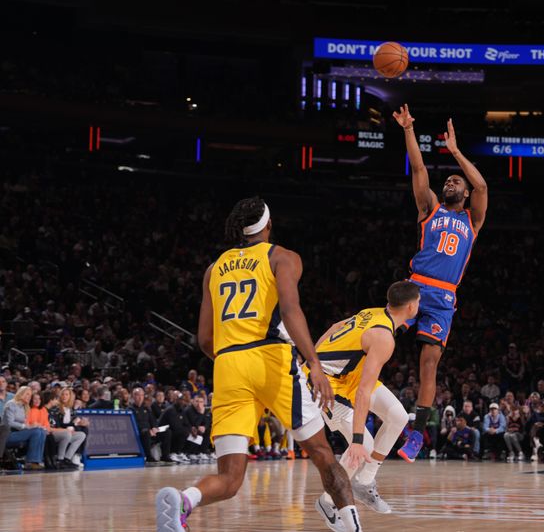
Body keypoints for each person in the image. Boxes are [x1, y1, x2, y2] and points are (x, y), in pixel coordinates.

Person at [156, 197, 362, 532]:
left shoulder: (214, 268)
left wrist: (233, 361)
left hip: (227, 364)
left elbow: (205, 340)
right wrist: (314, 363)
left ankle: (184, 500)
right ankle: (352, 525)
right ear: (268, 225)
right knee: (322, 453)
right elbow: (292, 310)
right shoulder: (282, 256)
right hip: (271, 358)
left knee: (230, 477)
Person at [392, 105, 489, 462]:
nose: (450, 182)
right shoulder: (429, 209)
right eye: (448, 179)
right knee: (379, 338)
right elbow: (418, 168)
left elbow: (481, 184)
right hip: (415, 287)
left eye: (455, 182)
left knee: (428, 364)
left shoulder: (472, 220)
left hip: (444, 297)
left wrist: (456, 152)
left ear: (464, 195)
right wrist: (408, 129)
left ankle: (417, 435)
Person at [314, 281, 420, 515]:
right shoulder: (384, 339)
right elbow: (363, 391)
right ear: (411, 307)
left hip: (348, 376)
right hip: (325, 385)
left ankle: (364, 483)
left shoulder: (373, 312)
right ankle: (328, 502)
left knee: (398, 416)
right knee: (364, 445)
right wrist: (358, 438)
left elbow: (334, 326)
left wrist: (314, 353)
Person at [1, 386, 46, 470]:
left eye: (30, 395)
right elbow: (9, 423)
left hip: (19, 433)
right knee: (36, 431)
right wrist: (27, 426)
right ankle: (30, 462)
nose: (29, 397)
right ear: (21, 394)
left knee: (41, 431)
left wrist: (34, 425)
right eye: (27, 394)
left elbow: (25, 423)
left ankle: (36, 461)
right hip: (8, 434)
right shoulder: (11, 404)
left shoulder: (25, 407)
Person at [48, 388, 88, 469]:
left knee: (81, 435)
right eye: (62, 394)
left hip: (66, 432)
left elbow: (73, 422)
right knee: (67, 434)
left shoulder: (71, 409)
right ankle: (60, 459)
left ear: (70, 397)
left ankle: (67, 459)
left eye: (67, 394)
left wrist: (78, 423)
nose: (64, 396)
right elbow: (56, 424)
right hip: (56, 432)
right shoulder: (56, 408)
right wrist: (69, 427)